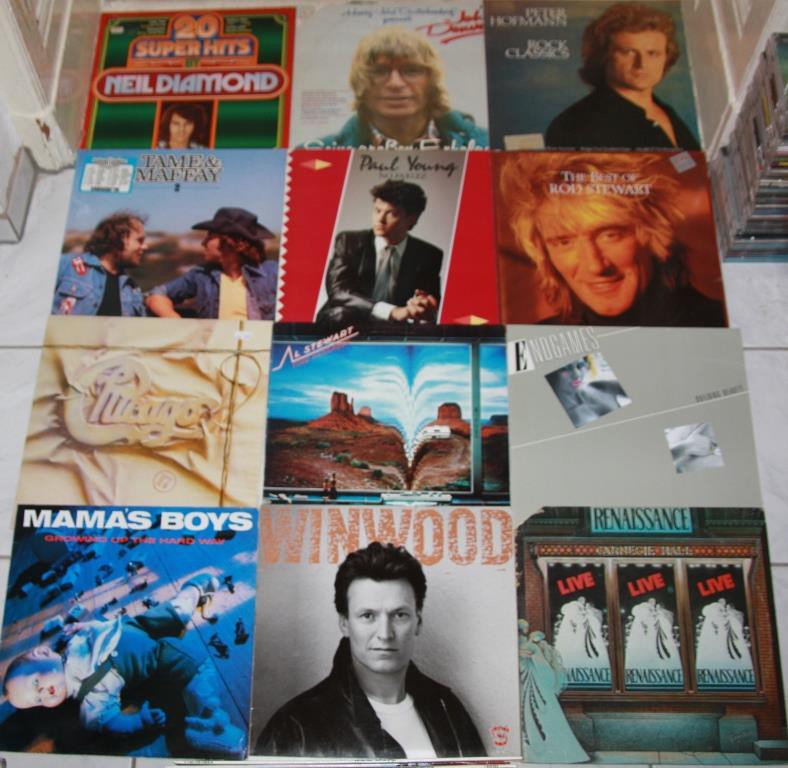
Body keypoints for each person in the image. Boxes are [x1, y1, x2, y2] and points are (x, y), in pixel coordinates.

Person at [256, 541, 485, 759]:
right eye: (368, 615)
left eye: (400, 615)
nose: (385, 633)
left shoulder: (447, 707)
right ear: (345, 623)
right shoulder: (294, 726)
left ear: (418, 622)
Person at [3, 573, 246, 757]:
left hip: (134, 626)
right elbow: (111, 722)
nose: (43, 692)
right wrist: (140, 721)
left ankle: (195, 589)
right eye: (38, 700)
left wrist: (84, 626)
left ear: (42, 652)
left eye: (35, 683)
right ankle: (211, 723)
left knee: (176, 610)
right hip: (154, 658)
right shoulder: (89, 697)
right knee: (196, 674)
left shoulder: (70, 643)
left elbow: (97, 629)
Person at [498, 152, 726, 325]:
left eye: (611, 235)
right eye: (564, 242)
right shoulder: (536, 345)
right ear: (544, 253)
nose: (595, 266)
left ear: (652, 231)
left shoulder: (717, 322)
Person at [545, 2, 700, 150]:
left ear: (667, 57)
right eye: (628, 52)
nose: (642, 64)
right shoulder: (575, 123)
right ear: (603, 56)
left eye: (653, 53)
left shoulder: (667, 112)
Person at [307, 26, 488, 149]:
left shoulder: (487, 145)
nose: (395, 83)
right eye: (379, 71)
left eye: (411, 70)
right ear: (360, 81)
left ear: (432, 80)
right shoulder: (315, 155)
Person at [316, 180, 442, 328]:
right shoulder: (349, 241)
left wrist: (423, 305)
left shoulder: (429, 254)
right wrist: (391, 311)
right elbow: (339, 292)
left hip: (395, 327)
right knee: (342, 314)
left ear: (412, 218)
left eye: (392, 214)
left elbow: (428, 303)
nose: (380, 220)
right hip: (349, 320)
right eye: (377, 210)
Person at [146, 207, 277, 320]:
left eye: (209, 236)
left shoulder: (273, 274)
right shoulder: (202, 275)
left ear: (229, 242)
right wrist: (176, 321)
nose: (203, 243)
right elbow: (157, 295)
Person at [518, 619, 589, 763]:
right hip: (535, 684)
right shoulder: (530, 646)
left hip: (525, 685)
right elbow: (544, 669)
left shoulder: (517, 646)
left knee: (530, 714)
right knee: (542, 713)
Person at [52, 212, 147, 316]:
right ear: (117, 239)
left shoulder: (131, 289)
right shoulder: (66, 264)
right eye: (140, 240)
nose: (145, 246)